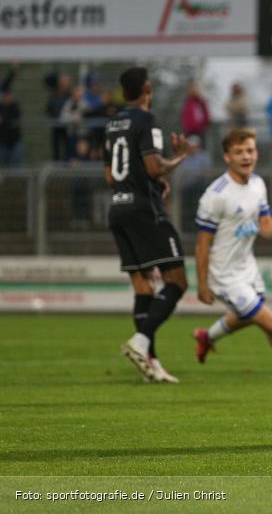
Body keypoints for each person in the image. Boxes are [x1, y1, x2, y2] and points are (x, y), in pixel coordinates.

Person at [192, 128, 272, 383]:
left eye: (249, 150)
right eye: (238, 152)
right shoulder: (216, 195)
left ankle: (207, 337)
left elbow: (265, 226)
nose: (246, 156)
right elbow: (202, 244)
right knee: (271, 324)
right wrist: (202, 284)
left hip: (247, 269)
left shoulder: (258, 184)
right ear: (227, 157)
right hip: (224, 276)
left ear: (256, 153)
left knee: (247, 317)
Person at [104, 66, 195, 383]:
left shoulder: (111, 124)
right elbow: (155, 167)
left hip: (118, 208)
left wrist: (150, 184)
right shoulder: (146, 120)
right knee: (177, 282)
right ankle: (141, 341)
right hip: (145, 211)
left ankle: (151, 367)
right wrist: (179, 157)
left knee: (143, 286)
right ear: (147, 90)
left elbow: (110, 175)